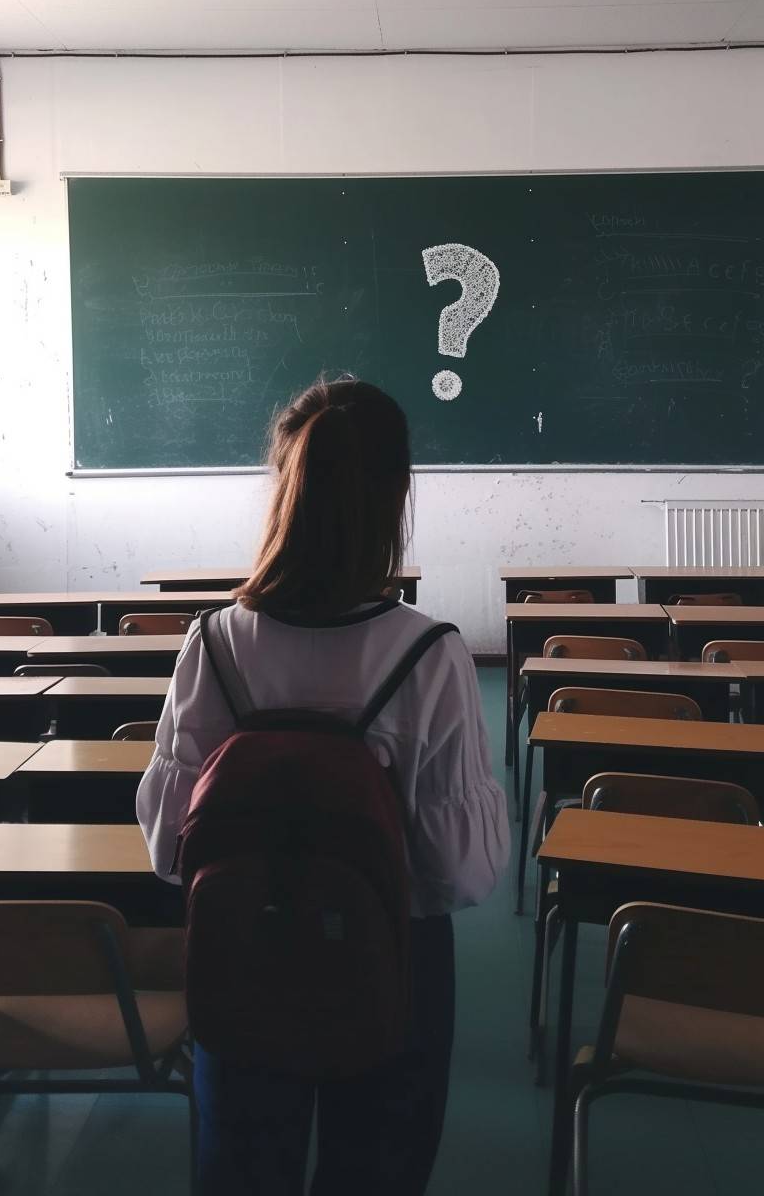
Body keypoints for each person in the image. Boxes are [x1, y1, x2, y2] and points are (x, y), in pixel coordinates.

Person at [137, 376, 509, 1196]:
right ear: (395, 498)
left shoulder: (213, 643)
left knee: (242, 1170)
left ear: (286, 487)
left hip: (239, 943)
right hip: (388, 956)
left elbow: (169, 846)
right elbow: (459, 874)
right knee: (376, 1169)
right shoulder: (430, 653)